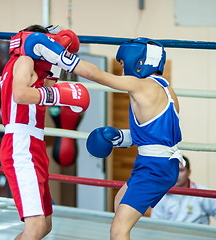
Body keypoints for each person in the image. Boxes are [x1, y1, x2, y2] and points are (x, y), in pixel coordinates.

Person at [23, 32, 184, 240]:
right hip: (158, 162)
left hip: (154, 166)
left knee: (118, 231)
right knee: (120, 203)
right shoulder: (165, 88)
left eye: (125, 62)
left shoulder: (141, 85)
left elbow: (98, 75)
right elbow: (154, 137)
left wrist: (60, 57)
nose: (124, 67)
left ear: (139, 63)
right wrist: (118, 137)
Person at [0, 25, 90, 240]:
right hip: (20, 144)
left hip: (33, 145)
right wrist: (58, 96)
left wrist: (58, 57)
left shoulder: (34, 67)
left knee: (45, 225)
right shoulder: (24, 61)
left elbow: (46, 88)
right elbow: (21, 94)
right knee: (36, 227)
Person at [151, 155, 216, 228]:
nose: (176, 175)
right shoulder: (161, 196)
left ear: (189, 172)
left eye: (180, 170)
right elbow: (155, 227)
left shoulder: (202, 193)